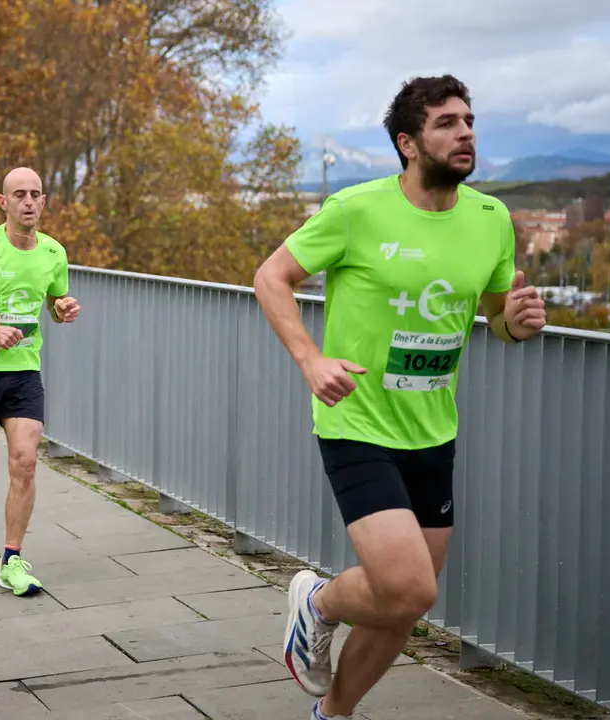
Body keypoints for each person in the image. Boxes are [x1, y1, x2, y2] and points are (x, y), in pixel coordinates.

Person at [252, 74, 547, 720]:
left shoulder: (491, 220)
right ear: (407, 143)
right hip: (356, 421)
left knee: (407, 604)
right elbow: (270, 276)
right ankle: (319, 602)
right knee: (407, 585)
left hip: (433, 431)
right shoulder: (357, 211)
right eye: (446, 123)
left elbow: (496, 315)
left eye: (468, 120)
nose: (464, 131)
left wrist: (514, 326)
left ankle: (332, 714)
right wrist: (310, 358)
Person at [0, 167, 80, 596]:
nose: (28, 202)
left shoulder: (53, 253)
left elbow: (53, 303)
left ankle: (12, 559)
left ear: (44, 202)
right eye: (19, 195)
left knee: (25, 462)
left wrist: (61, 309)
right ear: (2, 202)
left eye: (35, 195)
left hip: (25, 371)